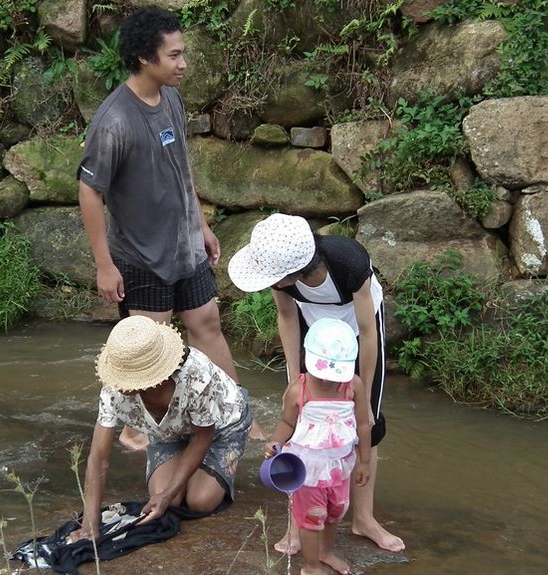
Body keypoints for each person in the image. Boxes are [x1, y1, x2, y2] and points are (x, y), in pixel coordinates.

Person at [76, 7, 263, 448]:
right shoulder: (114, 122)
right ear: (145, 58)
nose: (184, 64)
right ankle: (132, 432)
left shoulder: (172, 100)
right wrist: (104, 265)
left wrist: (201, 225)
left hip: (185, 251)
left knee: (208, 326)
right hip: (141, 258)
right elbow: (89, 192)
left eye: (183, 54)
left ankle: (237, 417)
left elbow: (182, 169)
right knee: (149, 353)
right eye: (175, 55)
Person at [228, 213, 405, 553]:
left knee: (367, 421)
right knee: (300, 419)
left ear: (293, 271)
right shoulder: (282, 282)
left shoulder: (349, 262)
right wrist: (295, 380)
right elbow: (287, 316)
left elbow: (368, 334)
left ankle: (363, 518)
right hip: (313, 330)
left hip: (356, 332)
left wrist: (364, 396)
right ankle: (297, 526)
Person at [68, 316, 253, 542]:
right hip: (168, 433)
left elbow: (203, 437)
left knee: (199, 502)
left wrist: (167, 494)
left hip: (222, 427)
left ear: (153, 379)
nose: (119, 385)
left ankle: (217, 468)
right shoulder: (113, 392)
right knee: (169, 502)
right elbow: (98, 457)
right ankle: (186, 475)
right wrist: (90, 523)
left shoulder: (195, 375)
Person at [265, 318, 372, 575]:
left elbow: (363, 425)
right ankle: (311, 566)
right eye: (321, 374)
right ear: (306, 359)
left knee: (337, 511)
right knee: (312, 517)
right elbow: (287, 421)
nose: (326, 381)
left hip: (339, 465)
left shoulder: (352, 386)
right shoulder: (298, 390)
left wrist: (365, 461)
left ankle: (324, 552)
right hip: (307, 468)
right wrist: (276, 442)